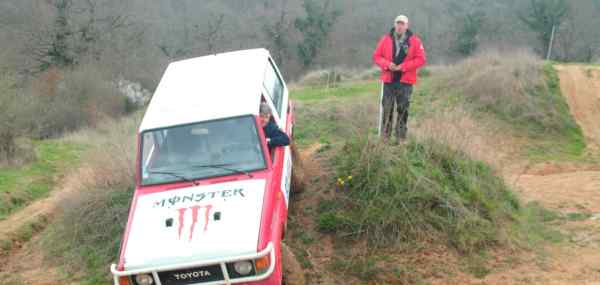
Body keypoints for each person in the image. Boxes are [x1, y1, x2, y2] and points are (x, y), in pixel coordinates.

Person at [373, 14, 426, 144]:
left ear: (407, 26)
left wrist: (403, 67)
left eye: (402, 23)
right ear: (394, 24)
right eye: (398, 23)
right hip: (388, 80)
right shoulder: (385, 39)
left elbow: (421, 59)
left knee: (403, 109)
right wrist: (387, 64)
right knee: (387, 108)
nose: (399, 26)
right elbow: (377, 56)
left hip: (405, 81)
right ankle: (384, 138)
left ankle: (400, 139)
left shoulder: (415, 41)